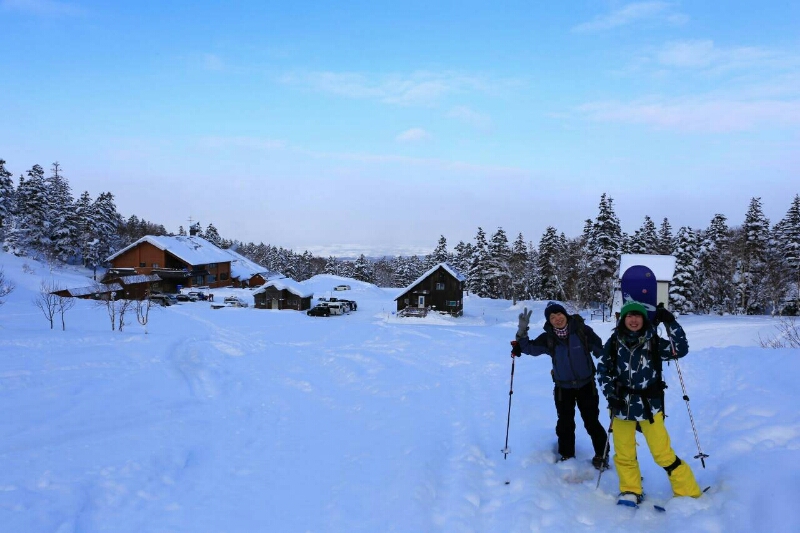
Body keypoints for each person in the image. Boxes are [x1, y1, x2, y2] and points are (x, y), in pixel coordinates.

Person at [597, 301, 702, 506]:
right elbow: (602, 369)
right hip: (621, 406)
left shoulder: (654, 341)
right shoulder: (614, 341)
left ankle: (686, 491)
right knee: (624, 453)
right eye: (630, 316)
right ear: (623, 319)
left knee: (663, 454)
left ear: (644, 319)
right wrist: (610, 394)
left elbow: (680, 350)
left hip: (650, 407)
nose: (634, 320)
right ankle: (630, 490)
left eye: (638, 316)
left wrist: (671, 322)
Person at [513, 301, 609, 468]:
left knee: (592, 421)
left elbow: (601, 351)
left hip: (587, 385)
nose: (557, 319)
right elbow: (528, 348)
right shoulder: (549, 338)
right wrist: (522, 330)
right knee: (565, 422)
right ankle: (567, 455)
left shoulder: (581, 331)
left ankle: (602, 454)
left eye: (559, 314)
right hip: (563, 388)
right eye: (552, 317)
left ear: (566, 315)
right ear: (549, 321)